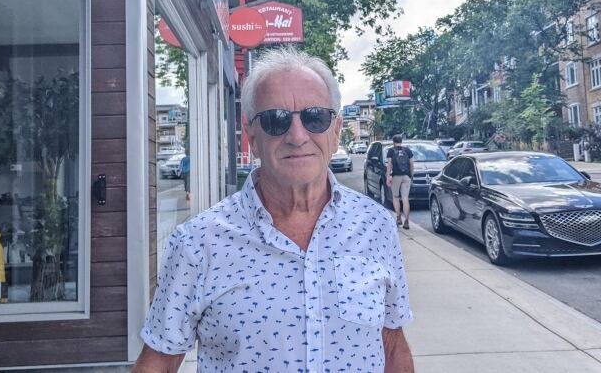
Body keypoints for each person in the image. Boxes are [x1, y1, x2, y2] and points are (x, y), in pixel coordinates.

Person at [134, 47, 414, 373]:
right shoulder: (197, 243)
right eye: (275, 120)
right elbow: (157, 364)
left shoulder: (376, 226)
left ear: (336, 130)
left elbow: (392, 344)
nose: (297, 136)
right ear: (251, 134)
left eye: (315, 117)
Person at [386, 135, 414, 229]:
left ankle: (398, 218)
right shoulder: (407, 150)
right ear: (401, 141)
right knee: (405, 198)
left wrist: (388, 177)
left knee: (395, 197)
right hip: (406, 176)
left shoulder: (391, 151)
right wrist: (411, 175)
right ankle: (406, 221)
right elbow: (411, 164)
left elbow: (389, 165)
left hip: (396, 177)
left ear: (393, 141)